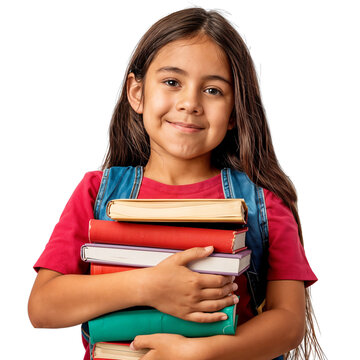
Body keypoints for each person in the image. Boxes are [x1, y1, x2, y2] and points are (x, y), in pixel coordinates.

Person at [28, 7, 325, 360]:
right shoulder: (97, 193)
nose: (190, 103)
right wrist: (148, 285)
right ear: (137, 93)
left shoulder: (263, 204)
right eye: (172, 82)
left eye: (213, 90)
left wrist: (197, 353)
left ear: (234, 112)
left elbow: (289, 323)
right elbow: (43, 307)